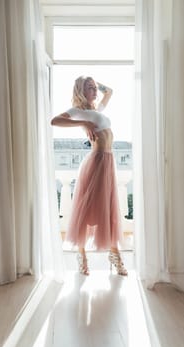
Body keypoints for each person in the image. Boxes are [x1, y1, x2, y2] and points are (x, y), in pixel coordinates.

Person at [51, 76, 127, 276]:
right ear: (80, 91)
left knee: (108, 209)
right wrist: (82, 122)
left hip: (108, 162)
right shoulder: (79, 112)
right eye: (89, 88)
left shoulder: (96, 110)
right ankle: (82, 256)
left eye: (94, 88)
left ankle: (114, 254)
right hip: (97, 162)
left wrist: (95, 81)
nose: (94, 90)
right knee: (88, 211)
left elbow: (109, 91)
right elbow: (54, 120)